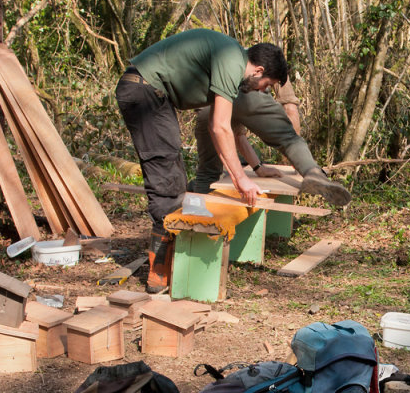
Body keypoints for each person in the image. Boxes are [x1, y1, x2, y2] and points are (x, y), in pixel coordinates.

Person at [115, 29, 288, 293]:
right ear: (258, 70)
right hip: (145, 91)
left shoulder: (229, 57)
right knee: (167, 179)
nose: (263, 90)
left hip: (150, 92)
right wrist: (241, 180)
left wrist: (246, 170)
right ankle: (159, 270)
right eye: (267, 85)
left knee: (172, 170)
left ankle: (168, 261)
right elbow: (220, 127)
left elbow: (215, 128)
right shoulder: (232, 61)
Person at [191, 81, 351, 206]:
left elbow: (236, 135)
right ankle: (314, 173)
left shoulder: (227, 65)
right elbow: (291, 110)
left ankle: (198, 224)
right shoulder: (274, 65)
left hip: (211, 103)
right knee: (289, 139)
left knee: (208, 173)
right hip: (252, 97)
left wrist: (258, 167)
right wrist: (297, 158)